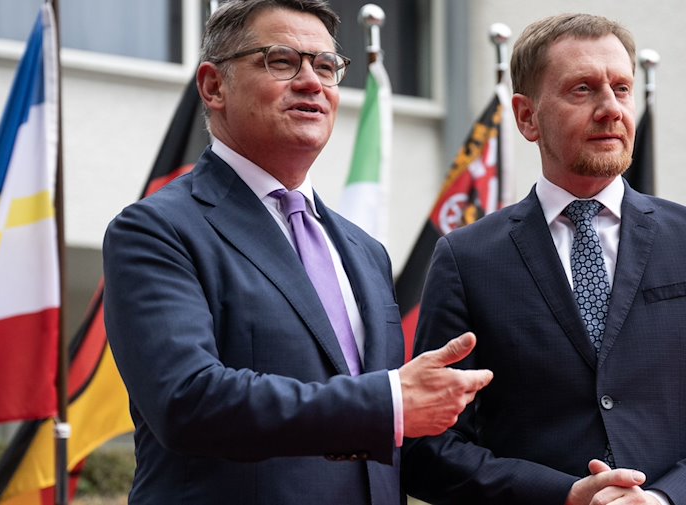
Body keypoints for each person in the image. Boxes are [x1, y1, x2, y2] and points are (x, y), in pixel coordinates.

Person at [102, 1, 493, 503]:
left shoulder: (364, 250)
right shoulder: (157, 231)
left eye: (326, 66)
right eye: (282, 60)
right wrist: (389, 400)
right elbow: (187, 400)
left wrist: (565, 493)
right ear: (213, 86)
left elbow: (405, 445)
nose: (312, 81)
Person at [402, 13, 686, 505]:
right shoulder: (466, 258)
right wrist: (563, 496)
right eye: (583, 90)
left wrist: (666, 501)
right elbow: (427, 449)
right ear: (526, 117)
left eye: (622, 88)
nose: (611, 109)